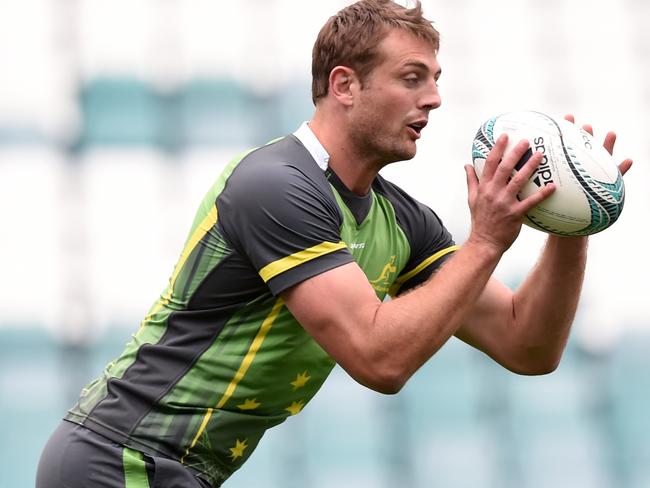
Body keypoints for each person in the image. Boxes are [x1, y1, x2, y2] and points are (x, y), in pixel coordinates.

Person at [36, 0, 633, 487]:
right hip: (118, 460)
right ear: (344, 85)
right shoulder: (276, 185)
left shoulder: (403, 221)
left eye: (436, 80)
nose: (434, 99)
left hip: (177, 471)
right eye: (412, 78)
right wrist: (485, 243)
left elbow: (527, 345)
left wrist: (571, 221)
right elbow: (380, 360)